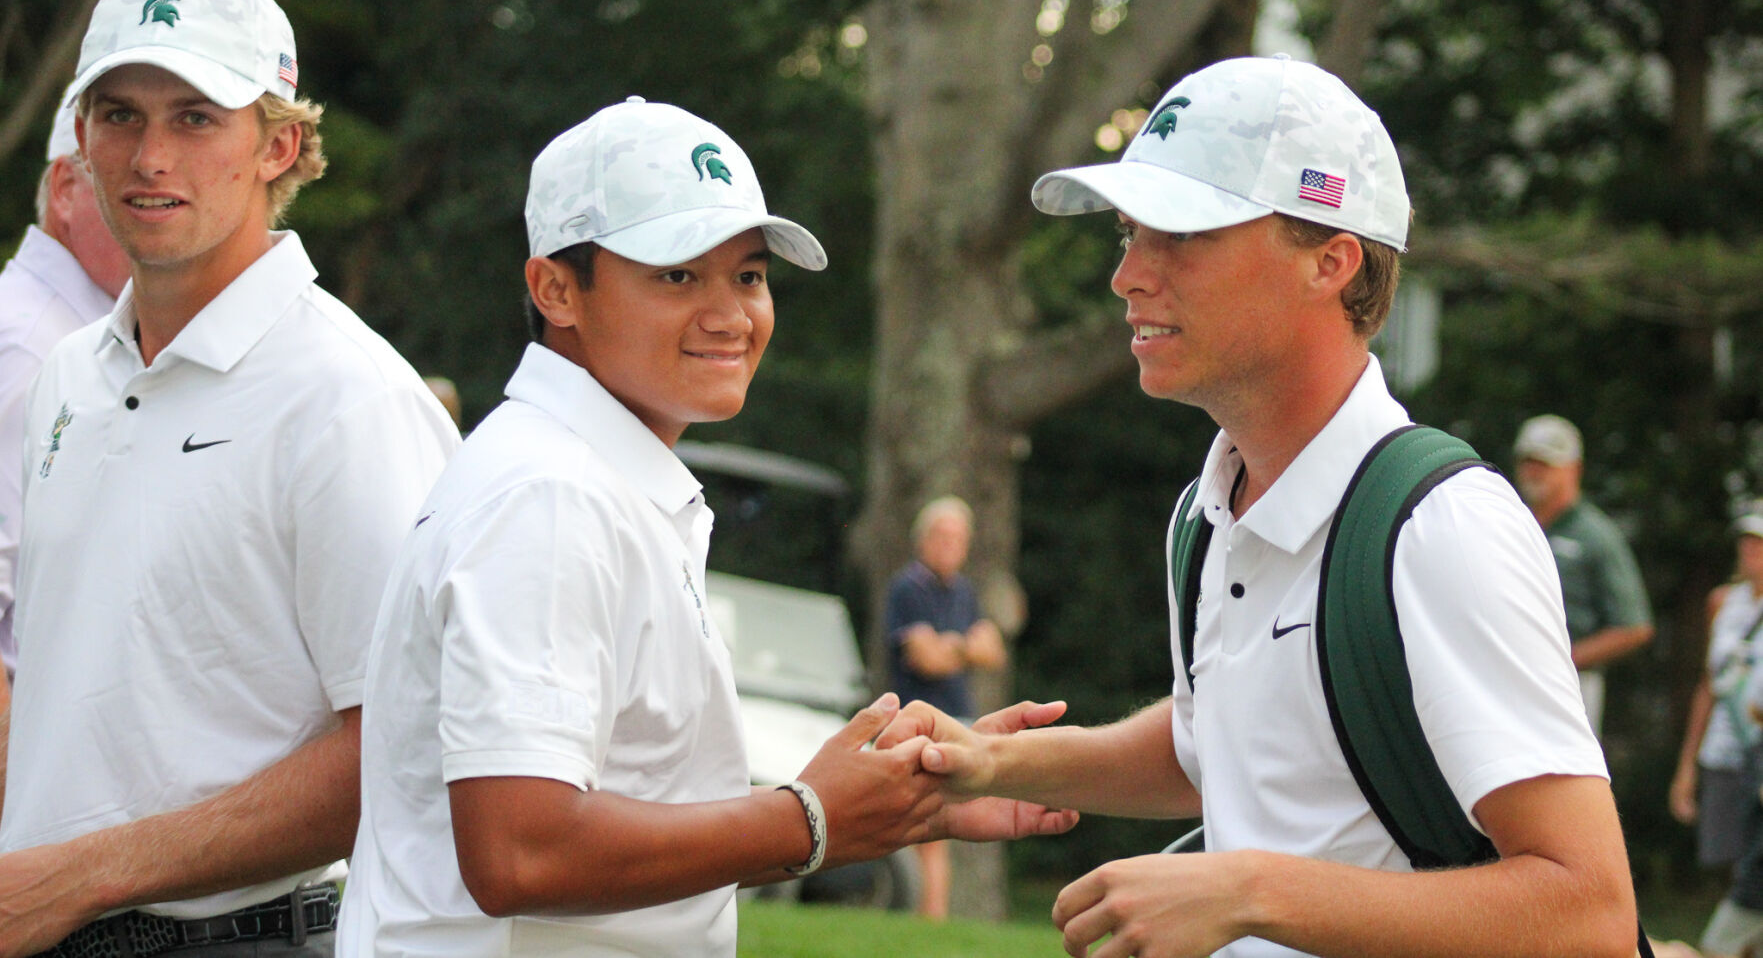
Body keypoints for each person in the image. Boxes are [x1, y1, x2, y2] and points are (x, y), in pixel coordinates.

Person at [878, 55, 1635, 957]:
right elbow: (1226, 745)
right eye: (1127, 232)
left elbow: (1587, 910)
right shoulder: (1205, 513)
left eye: (1181, 235)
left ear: (1330, 261)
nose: (1127, 275)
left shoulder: (1439, 528)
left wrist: (1248, 890)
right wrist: (992, 762)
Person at [337, 98, 1075, 957]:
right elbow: (518, 850)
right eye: (678, 275)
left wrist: (887, 799)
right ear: (555, 289)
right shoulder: (550, 495)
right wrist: (810, 818)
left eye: (749, 275)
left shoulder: (589, 475)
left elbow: (616, 823)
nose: (731, 314)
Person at [0, 0, 459, 957]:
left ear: (280, 144)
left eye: (196, 117)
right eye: (118, 114)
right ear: (78, 140)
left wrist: (73, 876)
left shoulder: (349, 396)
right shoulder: (71, 374)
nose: (149, 154)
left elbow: (407, 747)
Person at [0, 92, 131, 704]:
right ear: (64, 190)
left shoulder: (55, 333)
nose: (153, 200)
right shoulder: (34, 349)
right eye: (120, 184)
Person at [884, 494, 1006, 918]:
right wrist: (962, 647)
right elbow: (926, 659)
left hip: (957, 718)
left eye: (958, 538)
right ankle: (925, 919)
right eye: (942, 535)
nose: (949, 545)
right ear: (923, 539)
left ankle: (928, 921)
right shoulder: (908, 588)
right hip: (919, 722)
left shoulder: (963, 592)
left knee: (938, 831)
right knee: (926, 829)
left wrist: (952, 646)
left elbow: (993, 652)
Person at [1514, 413, 1655, 733]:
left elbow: (1635, 626)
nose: (1533, 471)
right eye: (1527, 461)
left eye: (1545, 462)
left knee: (1562, 775)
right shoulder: (1514, 523)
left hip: (1571, 682)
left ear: (1574, 468)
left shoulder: (1596, 534)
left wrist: (1560, 659)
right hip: (1512, 675)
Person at [1674, 514, 1763, 958]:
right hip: (1726, 751)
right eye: (1746, 542)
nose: (1750, 552)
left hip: (1760, 755)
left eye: (1759, 544)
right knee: (1733, 864)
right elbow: (1709, 686)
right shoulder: (1723, 602)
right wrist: (1686, 766)